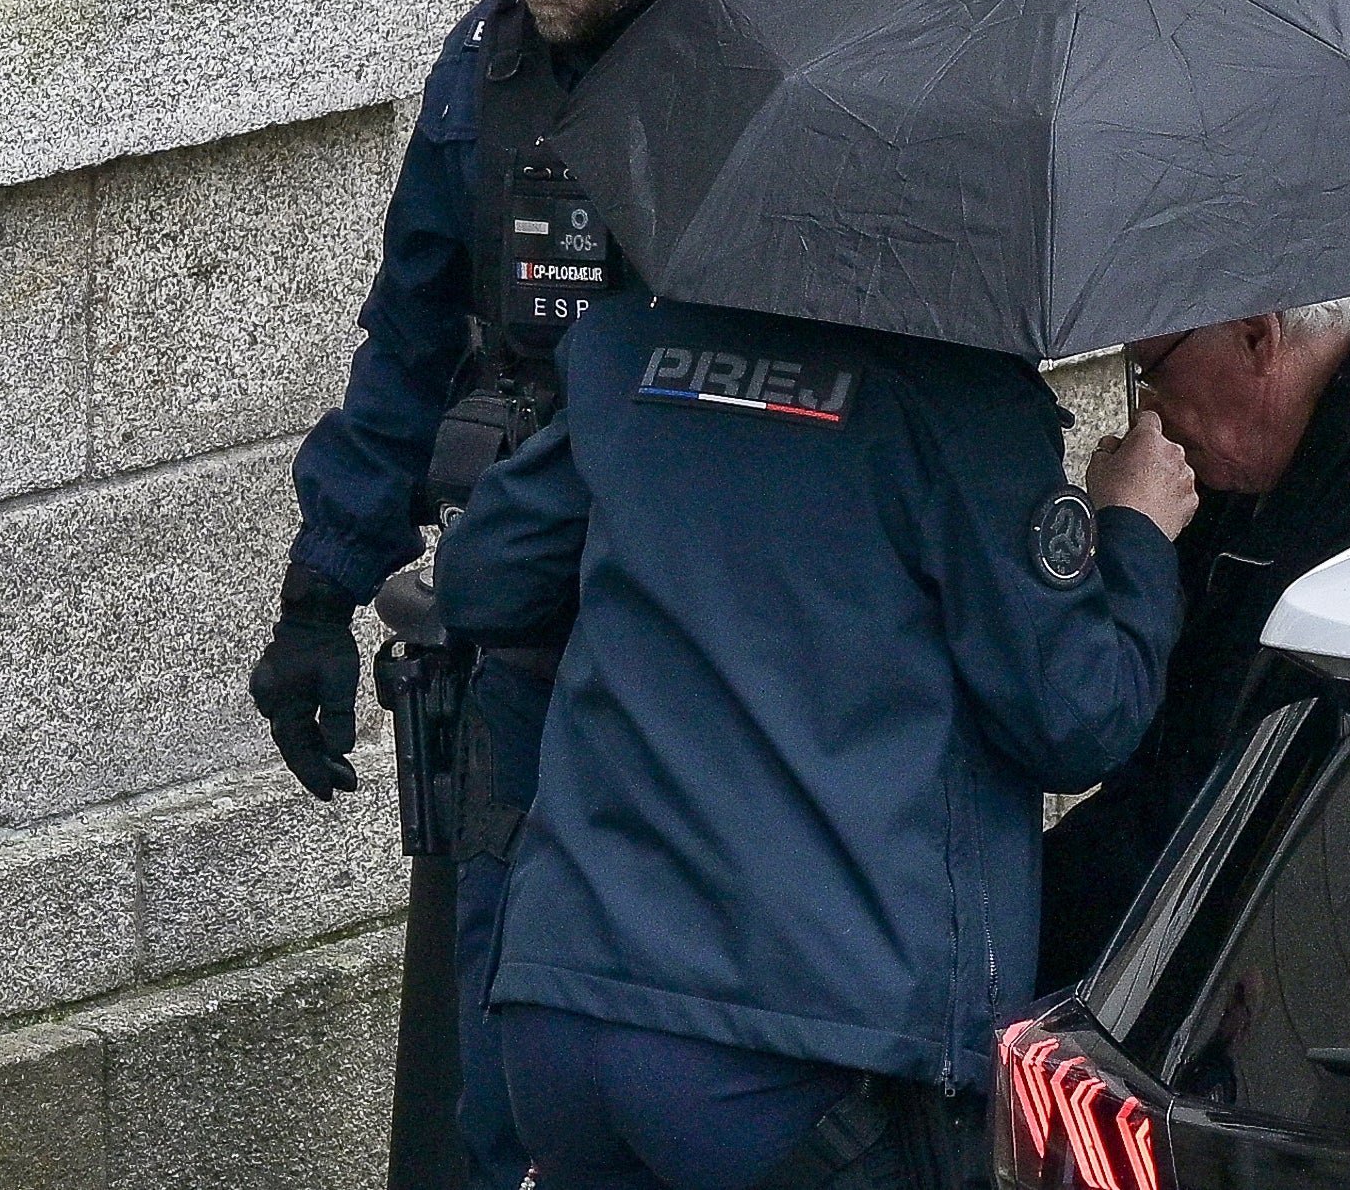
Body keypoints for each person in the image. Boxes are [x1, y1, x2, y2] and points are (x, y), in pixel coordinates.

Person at [242, 0, 791, 1188]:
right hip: (526, 640)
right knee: (501, 1067)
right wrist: (318, 591)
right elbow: (413, 345)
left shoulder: (807, 41)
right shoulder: (489, 71)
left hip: (737, 657)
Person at [433, 293, 1198, 1190]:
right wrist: (1135, 533)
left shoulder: (627, 346)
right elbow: (1076, 716)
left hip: (571, 1006)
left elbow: (485, 580)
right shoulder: (962, 395)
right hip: (805, 1049)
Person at [1037, 295, 1350, 989]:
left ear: (1254, 336)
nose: (1148, 413)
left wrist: (1133, 536)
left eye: (1152, 372)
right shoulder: (1274, 454)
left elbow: (1205, 809)